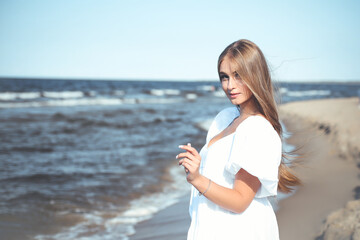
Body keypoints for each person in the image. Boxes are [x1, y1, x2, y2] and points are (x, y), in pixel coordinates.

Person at [176, 39, 300, 240]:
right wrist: (197, 166)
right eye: (224, 77)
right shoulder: (224, 118)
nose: (230, 85)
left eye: (238, 76)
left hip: (239, 230)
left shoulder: (258, 129)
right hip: (213, 226)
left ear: (255, 75)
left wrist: (197, 179)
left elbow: (240, 201)